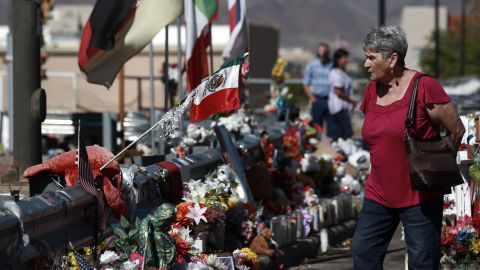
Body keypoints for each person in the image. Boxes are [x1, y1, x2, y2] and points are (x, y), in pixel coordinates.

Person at [352, 25, 465, 269]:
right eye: (365, 57)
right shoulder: (371, 90)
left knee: (422, 262)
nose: (366, 64)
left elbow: (456, 130)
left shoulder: (424, 86)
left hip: (419, 195)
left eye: (371, 58)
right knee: (363, 252)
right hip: (378, 193)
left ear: (392, 59)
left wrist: (433, 162)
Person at [303, 42, 333, 128]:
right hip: (317, 100)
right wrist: (313, 99)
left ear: (327, 52)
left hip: (330, 100)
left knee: (332, 127)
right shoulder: (311, 66)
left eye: (324, 53)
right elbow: (305, 84)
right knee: (316, 127)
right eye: (320, 53)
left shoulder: (333, 65)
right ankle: (319, 141)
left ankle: (329, 141)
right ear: (317, 53)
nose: (322, 55)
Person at [327, 48, 355, 140]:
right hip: (338, 108)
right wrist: (351, 101)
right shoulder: (335, 73)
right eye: (344, 58)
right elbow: (338, 92)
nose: (346, 60)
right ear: (338, 59)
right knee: (345, 133)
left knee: (343, 133)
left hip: (343, 107)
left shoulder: (343, 73)